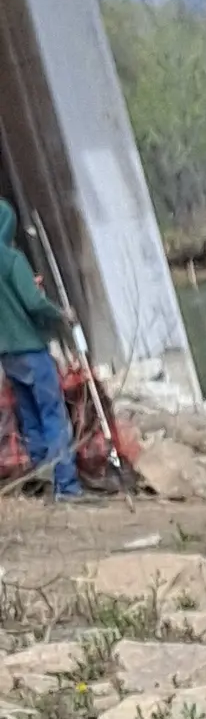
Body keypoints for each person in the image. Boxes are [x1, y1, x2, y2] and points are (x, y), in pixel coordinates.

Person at [0, 197, 80, 498]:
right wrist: (61, 315)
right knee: (53, 417)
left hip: (7, 356)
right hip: (31, 349)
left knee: (30, 419)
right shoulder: (11, 259)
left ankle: (42, 482)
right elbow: (34, 303)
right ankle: (67, 488)